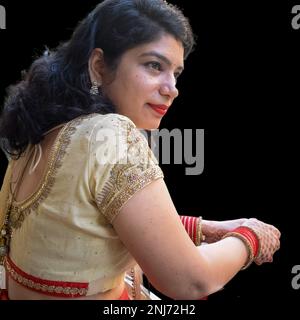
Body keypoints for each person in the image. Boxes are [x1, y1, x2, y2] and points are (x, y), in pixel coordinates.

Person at [0, 0, 280, 300]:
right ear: (99, 66)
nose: (171, 88)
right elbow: (190, 282)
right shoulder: (111, 132)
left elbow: (82, 221)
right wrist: (250, 236)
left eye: (176, 73)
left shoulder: (45, 128)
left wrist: (203, 228)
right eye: (154, 65)